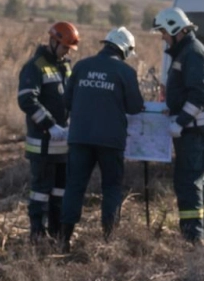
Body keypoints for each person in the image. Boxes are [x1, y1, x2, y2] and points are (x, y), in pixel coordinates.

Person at [59, 26, 146, 250]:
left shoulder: (81, 66)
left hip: (79, 138)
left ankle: (64, 240)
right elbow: (136, 107)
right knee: (111, 188)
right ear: (125, 50)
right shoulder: (125, 72)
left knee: (74, 187)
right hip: (111, 141)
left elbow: (66, 102)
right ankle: (109, 239)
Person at [153, 7, 204, 243]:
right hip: (193, 129)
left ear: (175, 30)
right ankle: (203, 230)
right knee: (198, 180)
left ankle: (193, 236)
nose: (162, 38)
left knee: (188, 182)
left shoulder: (192, 53)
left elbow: (199, 95)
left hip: (193, 129)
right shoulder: (186, 52)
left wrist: (180, 122)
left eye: (163, 33)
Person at [17, 21, 79, 244]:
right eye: (64, 48)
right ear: (53, 42)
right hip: (42, 144)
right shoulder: (35, 66)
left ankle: (58, 232)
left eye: (70, 50)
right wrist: (50, 125)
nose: (66, 53)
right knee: (41, 192)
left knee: (60, 192)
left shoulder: (65, 66)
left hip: (63, 144)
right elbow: (26, 99)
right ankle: (36, 233)